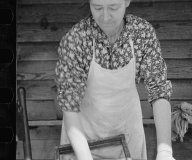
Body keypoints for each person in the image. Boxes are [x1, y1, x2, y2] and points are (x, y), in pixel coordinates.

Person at [55, 0, 175, 160]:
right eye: (97, 7)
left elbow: (159, 91)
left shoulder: (141, 33)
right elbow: (69, 107)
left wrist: (165, 152)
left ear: (126, 1)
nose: (105, 17)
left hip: (128, 138)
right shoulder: (76, 39)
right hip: (83, 142)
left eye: (113, 7)